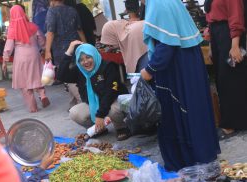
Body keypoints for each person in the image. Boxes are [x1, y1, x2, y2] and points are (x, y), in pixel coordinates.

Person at [140, 0, 220, 171]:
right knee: (194, 107)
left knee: (177, 110)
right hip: (188, 62)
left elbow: (166, 45)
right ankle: (202, 154)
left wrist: (149, 69)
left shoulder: (157, 4)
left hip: (176, 68)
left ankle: (185, 161)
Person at [57, 40, 131, 141]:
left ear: (94, 55)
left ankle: (121, 128)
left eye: (88, 57)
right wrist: (69, 52)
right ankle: (99, 129)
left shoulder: (108, 66)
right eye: (81, 59)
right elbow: (61, 75)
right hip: (95, 103)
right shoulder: (80, 71)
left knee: (113, 111)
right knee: (75, 113)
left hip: (114, 100)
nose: (86, 62)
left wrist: (100, 115)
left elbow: (110, 93)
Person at [205, 0, 247, 140]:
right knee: (221, 79)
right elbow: (210, 22)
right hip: (217, 37)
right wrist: (211, 46)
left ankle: (231, 124)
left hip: (229, 36)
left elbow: (236, 16)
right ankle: (231, 121)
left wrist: (235, 45)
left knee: (231, 78)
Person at [2, 5, 50, 113]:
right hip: (34, 54)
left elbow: (8, 47)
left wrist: (5, 60)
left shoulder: (12, 29)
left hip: (20, 57)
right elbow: (42, 40)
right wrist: (44, 49)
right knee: (37, 76)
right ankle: (42, 95)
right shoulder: (33, 26)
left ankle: (33, 108)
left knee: (25, 83)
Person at [101, 0, 148, 73]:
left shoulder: (117, 26)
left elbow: (112, 45)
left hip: (134, 68)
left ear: (126, 10)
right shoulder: (147, 24)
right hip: (151, 66)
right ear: (139, 8)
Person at [45, 0, 86, 67]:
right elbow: (79, 30)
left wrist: (47, 51)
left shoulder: (52, 11)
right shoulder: (72, 10)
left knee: (64, 73)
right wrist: (85, 45)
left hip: (61, 51)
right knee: (78, 70)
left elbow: (50, 32)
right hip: (76, 48)